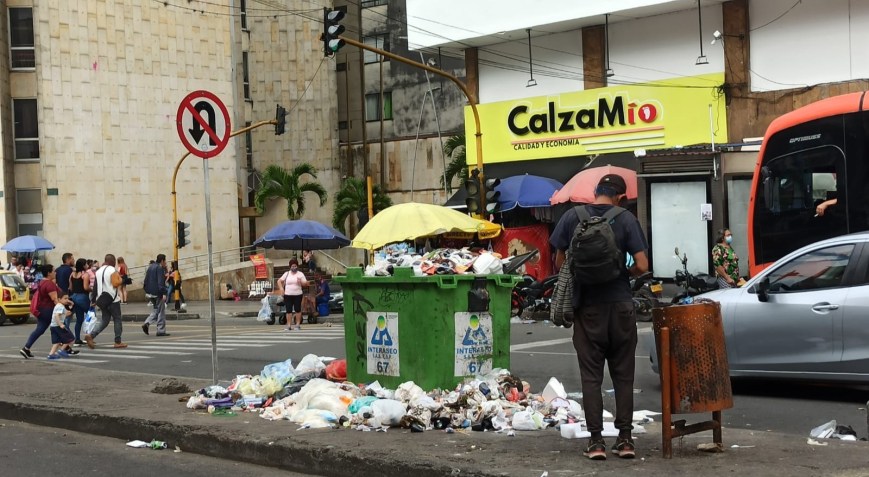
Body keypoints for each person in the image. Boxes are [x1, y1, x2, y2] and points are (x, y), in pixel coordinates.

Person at [549, 174, 649, 461]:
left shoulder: (571, 217)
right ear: (619, 197)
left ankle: (595, 443)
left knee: (591, 378)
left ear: (596, 192)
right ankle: (626, 439)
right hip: (620, 306)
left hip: (588, 309)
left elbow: (558, 263)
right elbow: (642, 265)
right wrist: (622, 272)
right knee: (623, 376)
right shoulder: (626, 219)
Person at [20, 265, 66, 359]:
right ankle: (64, 348)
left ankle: (26, 348)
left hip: (42, 309)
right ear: (49, 273)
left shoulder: (42, 282)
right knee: (60, 327)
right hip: (49, 310)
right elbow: (55, 299)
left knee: (40, 329)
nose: (55, 272)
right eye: (53, 271)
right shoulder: (49, 284)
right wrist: (62, 309)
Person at [83, 254, 126, 349]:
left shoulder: (98, 271)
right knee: (117, 319)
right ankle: (118, 342)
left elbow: (95, 287)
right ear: (112, 261)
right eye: (114, 261)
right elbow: (116, 283)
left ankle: (91, 335)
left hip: (102, 300)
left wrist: (93, 300)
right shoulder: (112, 270)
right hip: (113, 299)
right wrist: (122, 280)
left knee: (105, 320)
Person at [142, 254, 169, 337]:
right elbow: (160, 283)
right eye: (165, 261)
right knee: (161, 311)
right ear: (162, 261)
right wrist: (165, 292)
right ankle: (160, 330)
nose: (166, 262)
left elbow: (145, 281)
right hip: (157, 293)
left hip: (150, 293)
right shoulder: (159, 268)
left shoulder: (150, 267)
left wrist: (147, 290)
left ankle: (147, 323)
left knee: (156, 310)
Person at [278, 259, 307, 331]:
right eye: (292, 266)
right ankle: (288, 325)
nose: (294, 267)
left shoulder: (300, 274)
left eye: (295, 266)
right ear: (290, 267)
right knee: (288, 310)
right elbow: (279, 281)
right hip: (288, 294)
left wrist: (301, 282)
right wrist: (281, 288)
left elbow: (305, 283)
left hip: (298, 294)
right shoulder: (286, 273)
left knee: (297, 309)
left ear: (297, 266)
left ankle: (297, 324)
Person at [68, 258, 92, 346]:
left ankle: (77, 339)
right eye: (86, 264)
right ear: (83, 266)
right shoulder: (85, 275)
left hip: (74, 297)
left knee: (79, 319)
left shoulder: (72, 274)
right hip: (83, 297)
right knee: (91, 316)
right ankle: (89, 336)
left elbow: (70, 287)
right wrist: (92, 289)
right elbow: (86, 287)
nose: (87, 266)